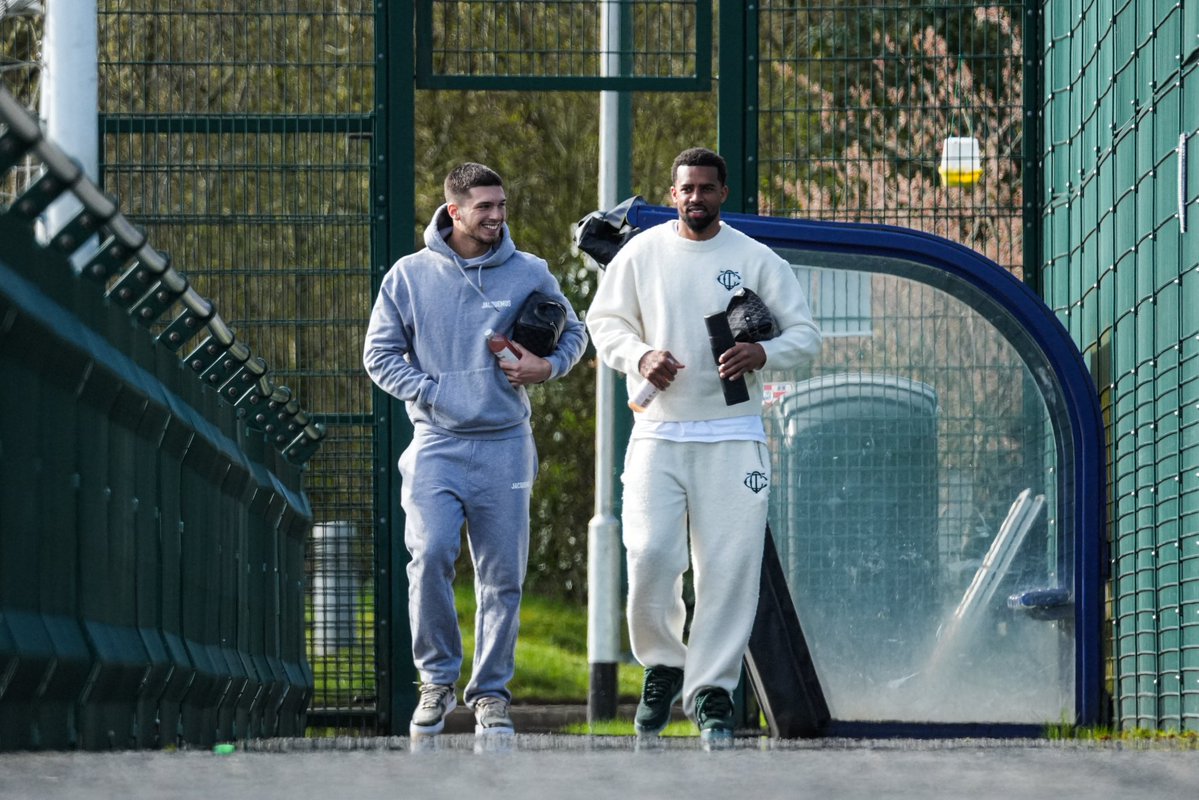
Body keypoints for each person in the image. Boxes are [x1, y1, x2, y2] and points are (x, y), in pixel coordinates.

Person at [586, 147, 822, 746]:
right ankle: (663, 665)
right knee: (650, 555)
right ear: (673, 194)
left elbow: (806, 337)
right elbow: (604, 323)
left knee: (728, 568)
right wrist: (641, 356)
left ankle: (712, 689)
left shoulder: (755, 259)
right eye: (686, 188)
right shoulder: (641, 254)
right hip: (658, 432)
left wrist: (763, 352)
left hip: (733, 436)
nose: (696, 198)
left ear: (723, 193)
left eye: (706, 188)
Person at [363, 162, 588, 738]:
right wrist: (433, 391)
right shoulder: (409, 275)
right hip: (435, 444)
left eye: (501, 205)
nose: (496, 216)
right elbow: (378, 355)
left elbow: (575, 332)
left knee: (502, 577)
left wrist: (547, 367)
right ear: (454, 211)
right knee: (430, 555)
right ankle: (436, 682)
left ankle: (490, 695)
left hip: (506, 446)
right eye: (484, 207)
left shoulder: (530, 271)